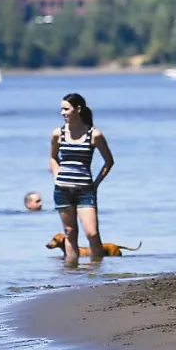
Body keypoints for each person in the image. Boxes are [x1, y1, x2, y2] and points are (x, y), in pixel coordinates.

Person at [50, 93, 115, 265]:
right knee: (70, 232)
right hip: (62, 190)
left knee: (92, 233)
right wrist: (57, 177)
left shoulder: (94, 134)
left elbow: (109, 161)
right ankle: (72, 273)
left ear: (78, 109)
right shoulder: (58, 133)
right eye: (61, 110)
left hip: (85, 191)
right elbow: (53, 158)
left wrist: (96, 183)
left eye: (66, 109)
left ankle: (96, 271)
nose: (63, 113)